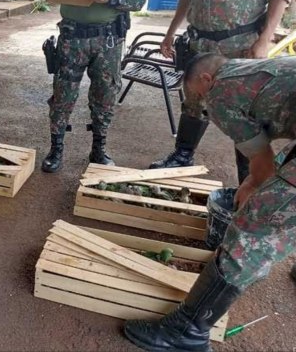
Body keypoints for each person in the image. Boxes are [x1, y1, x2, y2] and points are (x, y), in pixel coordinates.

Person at [125, 52, 296, 351]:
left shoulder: (220, 93)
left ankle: (186, 333)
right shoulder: (253, 67)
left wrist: (254, 186)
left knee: (253, 228)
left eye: (197, 94)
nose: (201, 102)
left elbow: (263, 162)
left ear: (206, 79)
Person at [149, 0, 291, 186]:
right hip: (200, 43)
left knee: (245, 111)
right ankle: (182, 154)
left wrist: (264, 40)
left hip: (240, 46)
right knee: (194, 101)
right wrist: (170, 33)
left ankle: (249, 177)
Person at [40, 0, 148, 173]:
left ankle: (99, 149)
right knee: (63, 93)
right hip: (73, 36)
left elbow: (137, 0)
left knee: (105, 95)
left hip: (109, 40)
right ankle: (56, 148)